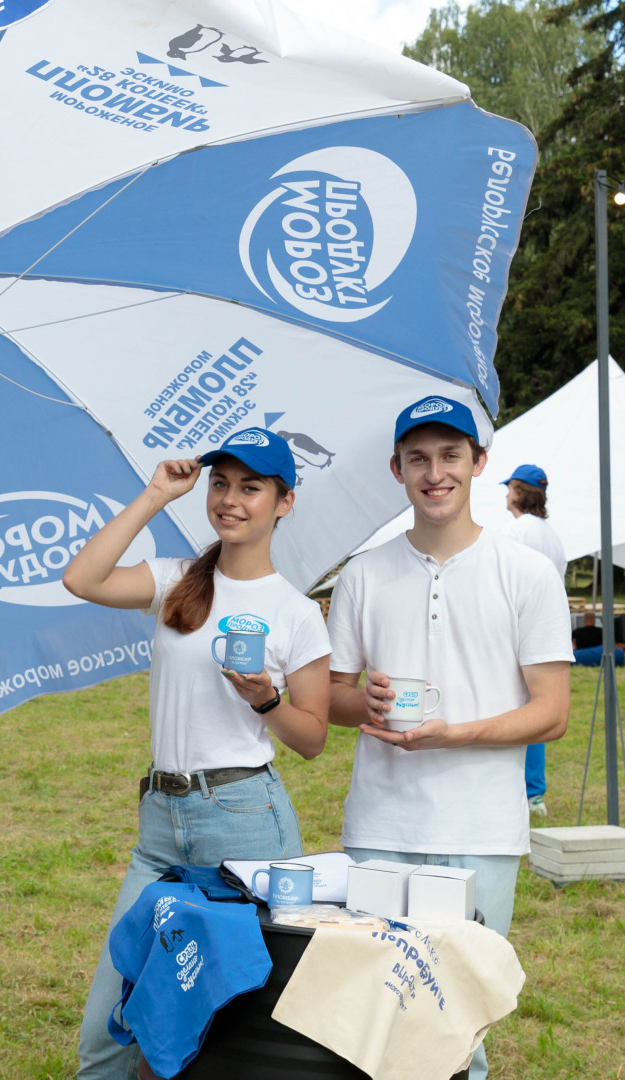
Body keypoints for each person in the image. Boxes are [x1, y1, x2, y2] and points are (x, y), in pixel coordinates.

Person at [62, 427, 331, 1080]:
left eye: (251, 487)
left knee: (239, 1031)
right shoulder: (176, 580)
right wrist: (156, 495)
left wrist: (266, 701)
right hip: (160, 824)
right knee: (110, 1028)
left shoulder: (296, 613)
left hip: (244, 822)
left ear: (283, 502)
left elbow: (313, 739)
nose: (230, 499)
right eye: (220, 484)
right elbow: (81, 577)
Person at [327, 397, 572, 1080]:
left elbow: (552, 713)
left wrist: (454, 735)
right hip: (381, 822)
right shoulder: (364, 573)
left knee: (458, 1015)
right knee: (375, 1008)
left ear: (478, 463)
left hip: (481, 829)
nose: (435, 473)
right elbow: (333, 700)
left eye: (450, 456)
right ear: (398, 470)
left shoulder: (525, 573)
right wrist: (362, 700)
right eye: (419, 459)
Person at [500, 463, 565, 817]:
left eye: (509, 488)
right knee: (539, 708)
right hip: (546, 631)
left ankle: (521, 788)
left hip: (515, 628)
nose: (506, 495)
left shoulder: (513, 532)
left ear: (518, 492)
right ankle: (535, 793)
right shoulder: (552, 536)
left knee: (515, 707)